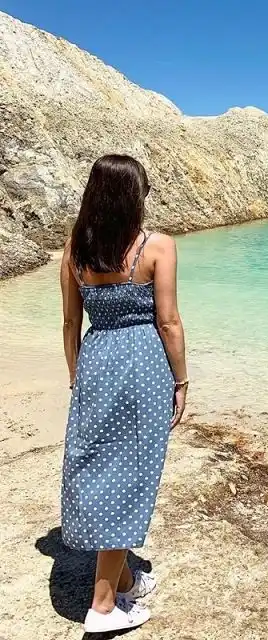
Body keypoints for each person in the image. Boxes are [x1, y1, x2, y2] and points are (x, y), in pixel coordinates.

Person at [59, 155, 188, 633]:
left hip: (95, 363)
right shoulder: (157, 246)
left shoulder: (75, 249)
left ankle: (126, 579)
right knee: (130, 476)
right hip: (142, 370)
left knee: (100, 472)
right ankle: (103, 606)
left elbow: (70, 323)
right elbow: (168, 322)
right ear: (135, 197)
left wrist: (77, 378)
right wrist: (181, 381)